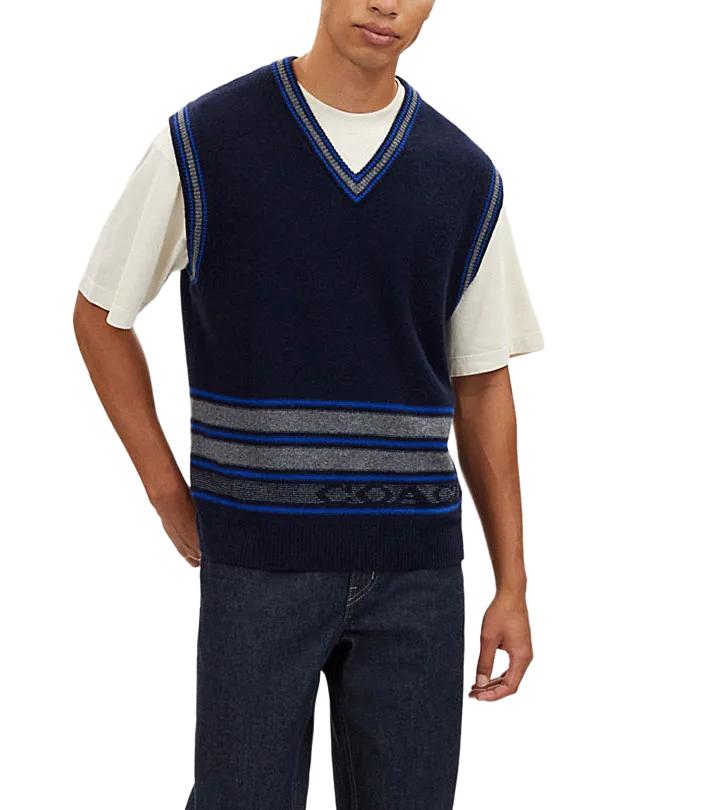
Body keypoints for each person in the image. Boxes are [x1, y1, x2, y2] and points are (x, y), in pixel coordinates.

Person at [73, 1, 544, 807]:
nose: (387, 4)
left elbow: (482, 381)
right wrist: (165, 491)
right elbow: (99, 315)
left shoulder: (463, 175)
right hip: (259, 563)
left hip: (418, 575)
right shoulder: (207, 142)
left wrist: (513, 584)